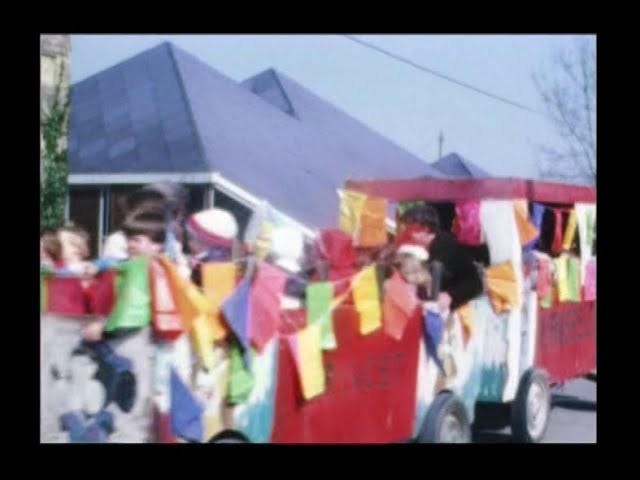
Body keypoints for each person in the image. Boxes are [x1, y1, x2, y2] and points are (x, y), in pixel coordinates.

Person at [399, 204, 484, 312]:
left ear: (424, 229)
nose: (407, 234)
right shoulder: (425, 249)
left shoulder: (446, 247)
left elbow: (475, 284)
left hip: (464, 309)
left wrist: (450, 295)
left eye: (410, 229)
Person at [185, 207, 239, 286]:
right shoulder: (204, 261)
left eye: (193, 238)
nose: (190, 243)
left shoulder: (216, 276)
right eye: (189, 236)